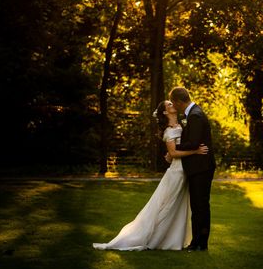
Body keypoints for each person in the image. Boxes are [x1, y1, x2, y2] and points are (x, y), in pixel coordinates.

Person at [92, 100, 209, 251]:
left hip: (185, 171)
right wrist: (195, 152)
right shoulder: (168, 131)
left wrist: (172, 155)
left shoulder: (181, 125)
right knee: (166, 206)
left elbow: (174, 151)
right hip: (176, 173)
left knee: (177, 206)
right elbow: (174, 152)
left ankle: (173, 239)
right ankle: (152, 237)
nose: (173, 104)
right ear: (166, 112)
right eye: (169, 104)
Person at [169, 86, 216, 252]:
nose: (174, 107)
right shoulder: (192, 114)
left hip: (201, 167)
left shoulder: (195, 115)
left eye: (174, 103)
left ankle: (199, 243)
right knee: (198, 206)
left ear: (179, 101)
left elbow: (195, 143)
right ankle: (198, 242)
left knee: (200, 206)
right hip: (198, 167)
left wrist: (173, 148)